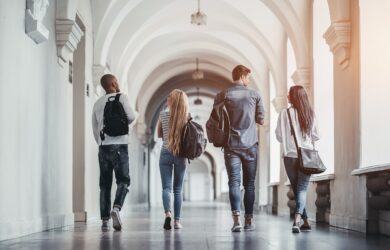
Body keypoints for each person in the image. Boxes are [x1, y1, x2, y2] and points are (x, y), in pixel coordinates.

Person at [212, 65, 265, 232]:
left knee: (233, 182)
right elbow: (261, 119)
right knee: (249, 184)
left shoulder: (222, 95)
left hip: (231, 146)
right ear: (243, 76)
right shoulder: (255, 95)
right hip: (250, 146)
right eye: (248, 77)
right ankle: (249, 221)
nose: (248, 80)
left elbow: (215, 119)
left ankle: (236, 221)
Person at [92, 74, 135, 231]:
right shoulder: (122, 97)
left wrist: (102, 143)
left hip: (103, 146)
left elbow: (95, 128)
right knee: (123, 180)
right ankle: (116, 208)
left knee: (104, 184)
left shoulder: (97, 103)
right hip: (120, 144)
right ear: (113, 83)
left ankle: (104, 220)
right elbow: (131, 117)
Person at [275, 85, 319, 233]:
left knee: (297, 189)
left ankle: (300, 220)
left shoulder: (284, 114)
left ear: (294, 97)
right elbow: (316, 136)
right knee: (301, 190)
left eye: (289, 94)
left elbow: (279, 136)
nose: (287, 96)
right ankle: (301, 220)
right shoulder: (310, 114)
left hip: (289, 156)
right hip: (306, 156)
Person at [157, 89, 189, 230]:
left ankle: (167, 214)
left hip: (165, 152)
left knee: (166, 188)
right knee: (178, 189)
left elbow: (159, 134)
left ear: (172, 101)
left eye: (169, 97)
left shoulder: (163, 114)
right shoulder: (186, 117)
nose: (167, 98)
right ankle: (177, 222)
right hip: (180, 155)